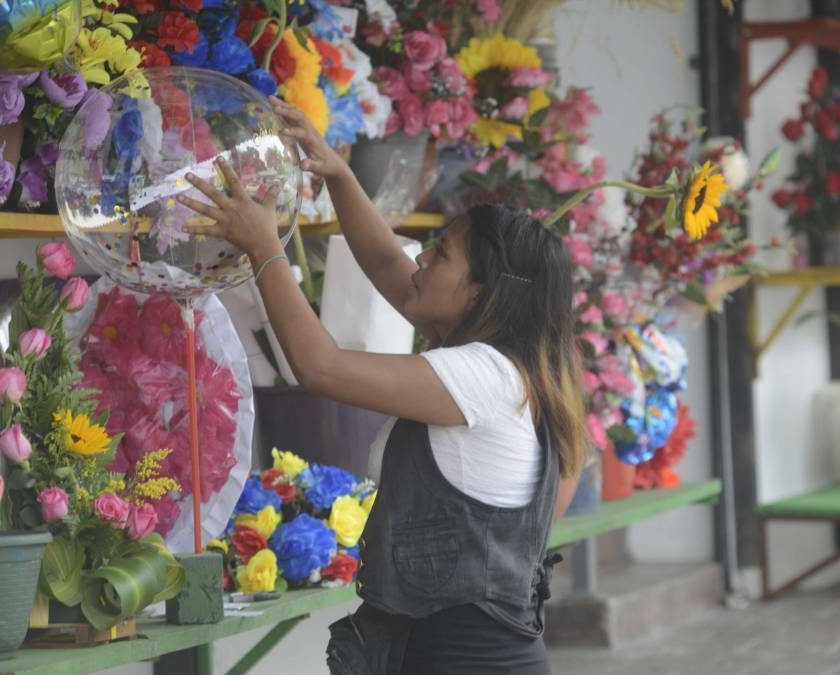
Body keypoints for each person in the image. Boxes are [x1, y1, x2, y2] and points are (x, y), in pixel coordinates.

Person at [180, 97, 586, 675]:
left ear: (478, 294)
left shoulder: (483, 375)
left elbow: (320, 367)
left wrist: (264, 245)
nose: (419, 258)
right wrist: (339, 175)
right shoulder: (518, 370)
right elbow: (392, 269)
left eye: (440, 254)